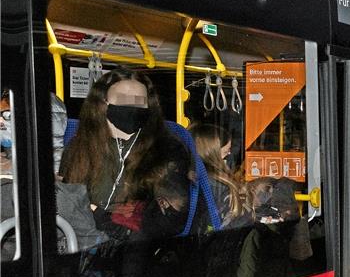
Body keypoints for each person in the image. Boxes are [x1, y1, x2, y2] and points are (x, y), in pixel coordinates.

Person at [60, 71, 191, 241]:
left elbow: (171, 219)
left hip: (133, 248)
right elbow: (65, 198)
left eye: (140, 101)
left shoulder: (166, 149)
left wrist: (102, 218)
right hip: (77, 239)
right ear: (102, 103)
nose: (132, 107)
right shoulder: (78, 147)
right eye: (123, 99)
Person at [190, 122, 245, 227]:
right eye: (226, 151)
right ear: (211, 153)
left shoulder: (189, 175)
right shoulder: (217, 185)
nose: (229, 154)